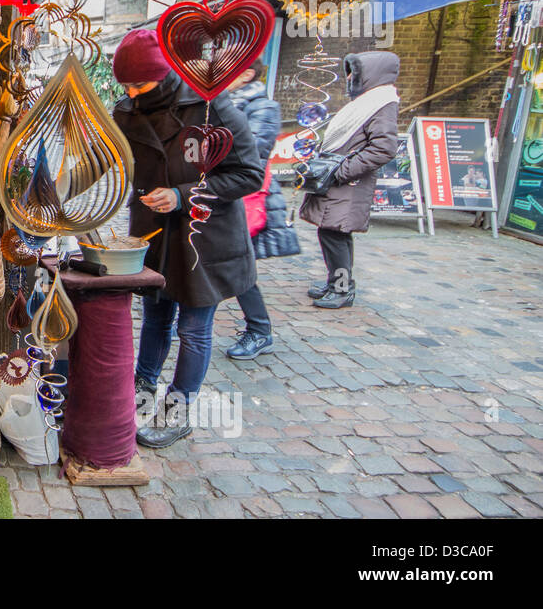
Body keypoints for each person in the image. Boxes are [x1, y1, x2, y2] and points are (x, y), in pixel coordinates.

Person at [111, 29, 264, 448]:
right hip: (153, 233)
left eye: (140, 83)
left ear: (163, 74)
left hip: (204, 236)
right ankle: (139, 394)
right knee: (155, 319)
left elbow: (248, 173)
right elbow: (106, 157)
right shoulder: (126, 112)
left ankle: (177, 411)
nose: (132, 91)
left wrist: (182, 195)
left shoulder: (210, 106)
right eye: (125, 84)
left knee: (194, 328)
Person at [300, 51, 400, 309]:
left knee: (336, 234)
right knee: (330, 233)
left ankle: (342, 289)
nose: (349, 77)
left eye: (354, 72)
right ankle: (337, 283)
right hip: (341, 181)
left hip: (348, 183)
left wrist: (342, 171)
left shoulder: (381, 104)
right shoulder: (368, 102)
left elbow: (384, 148)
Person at [224, 62, 301, 360]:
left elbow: (252, 153)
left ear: (246, 74)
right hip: (218, 198)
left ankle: (260, 331)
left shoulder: (263, 107)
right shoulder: (218, 102)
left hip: (245, 201)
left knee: (239, 268)